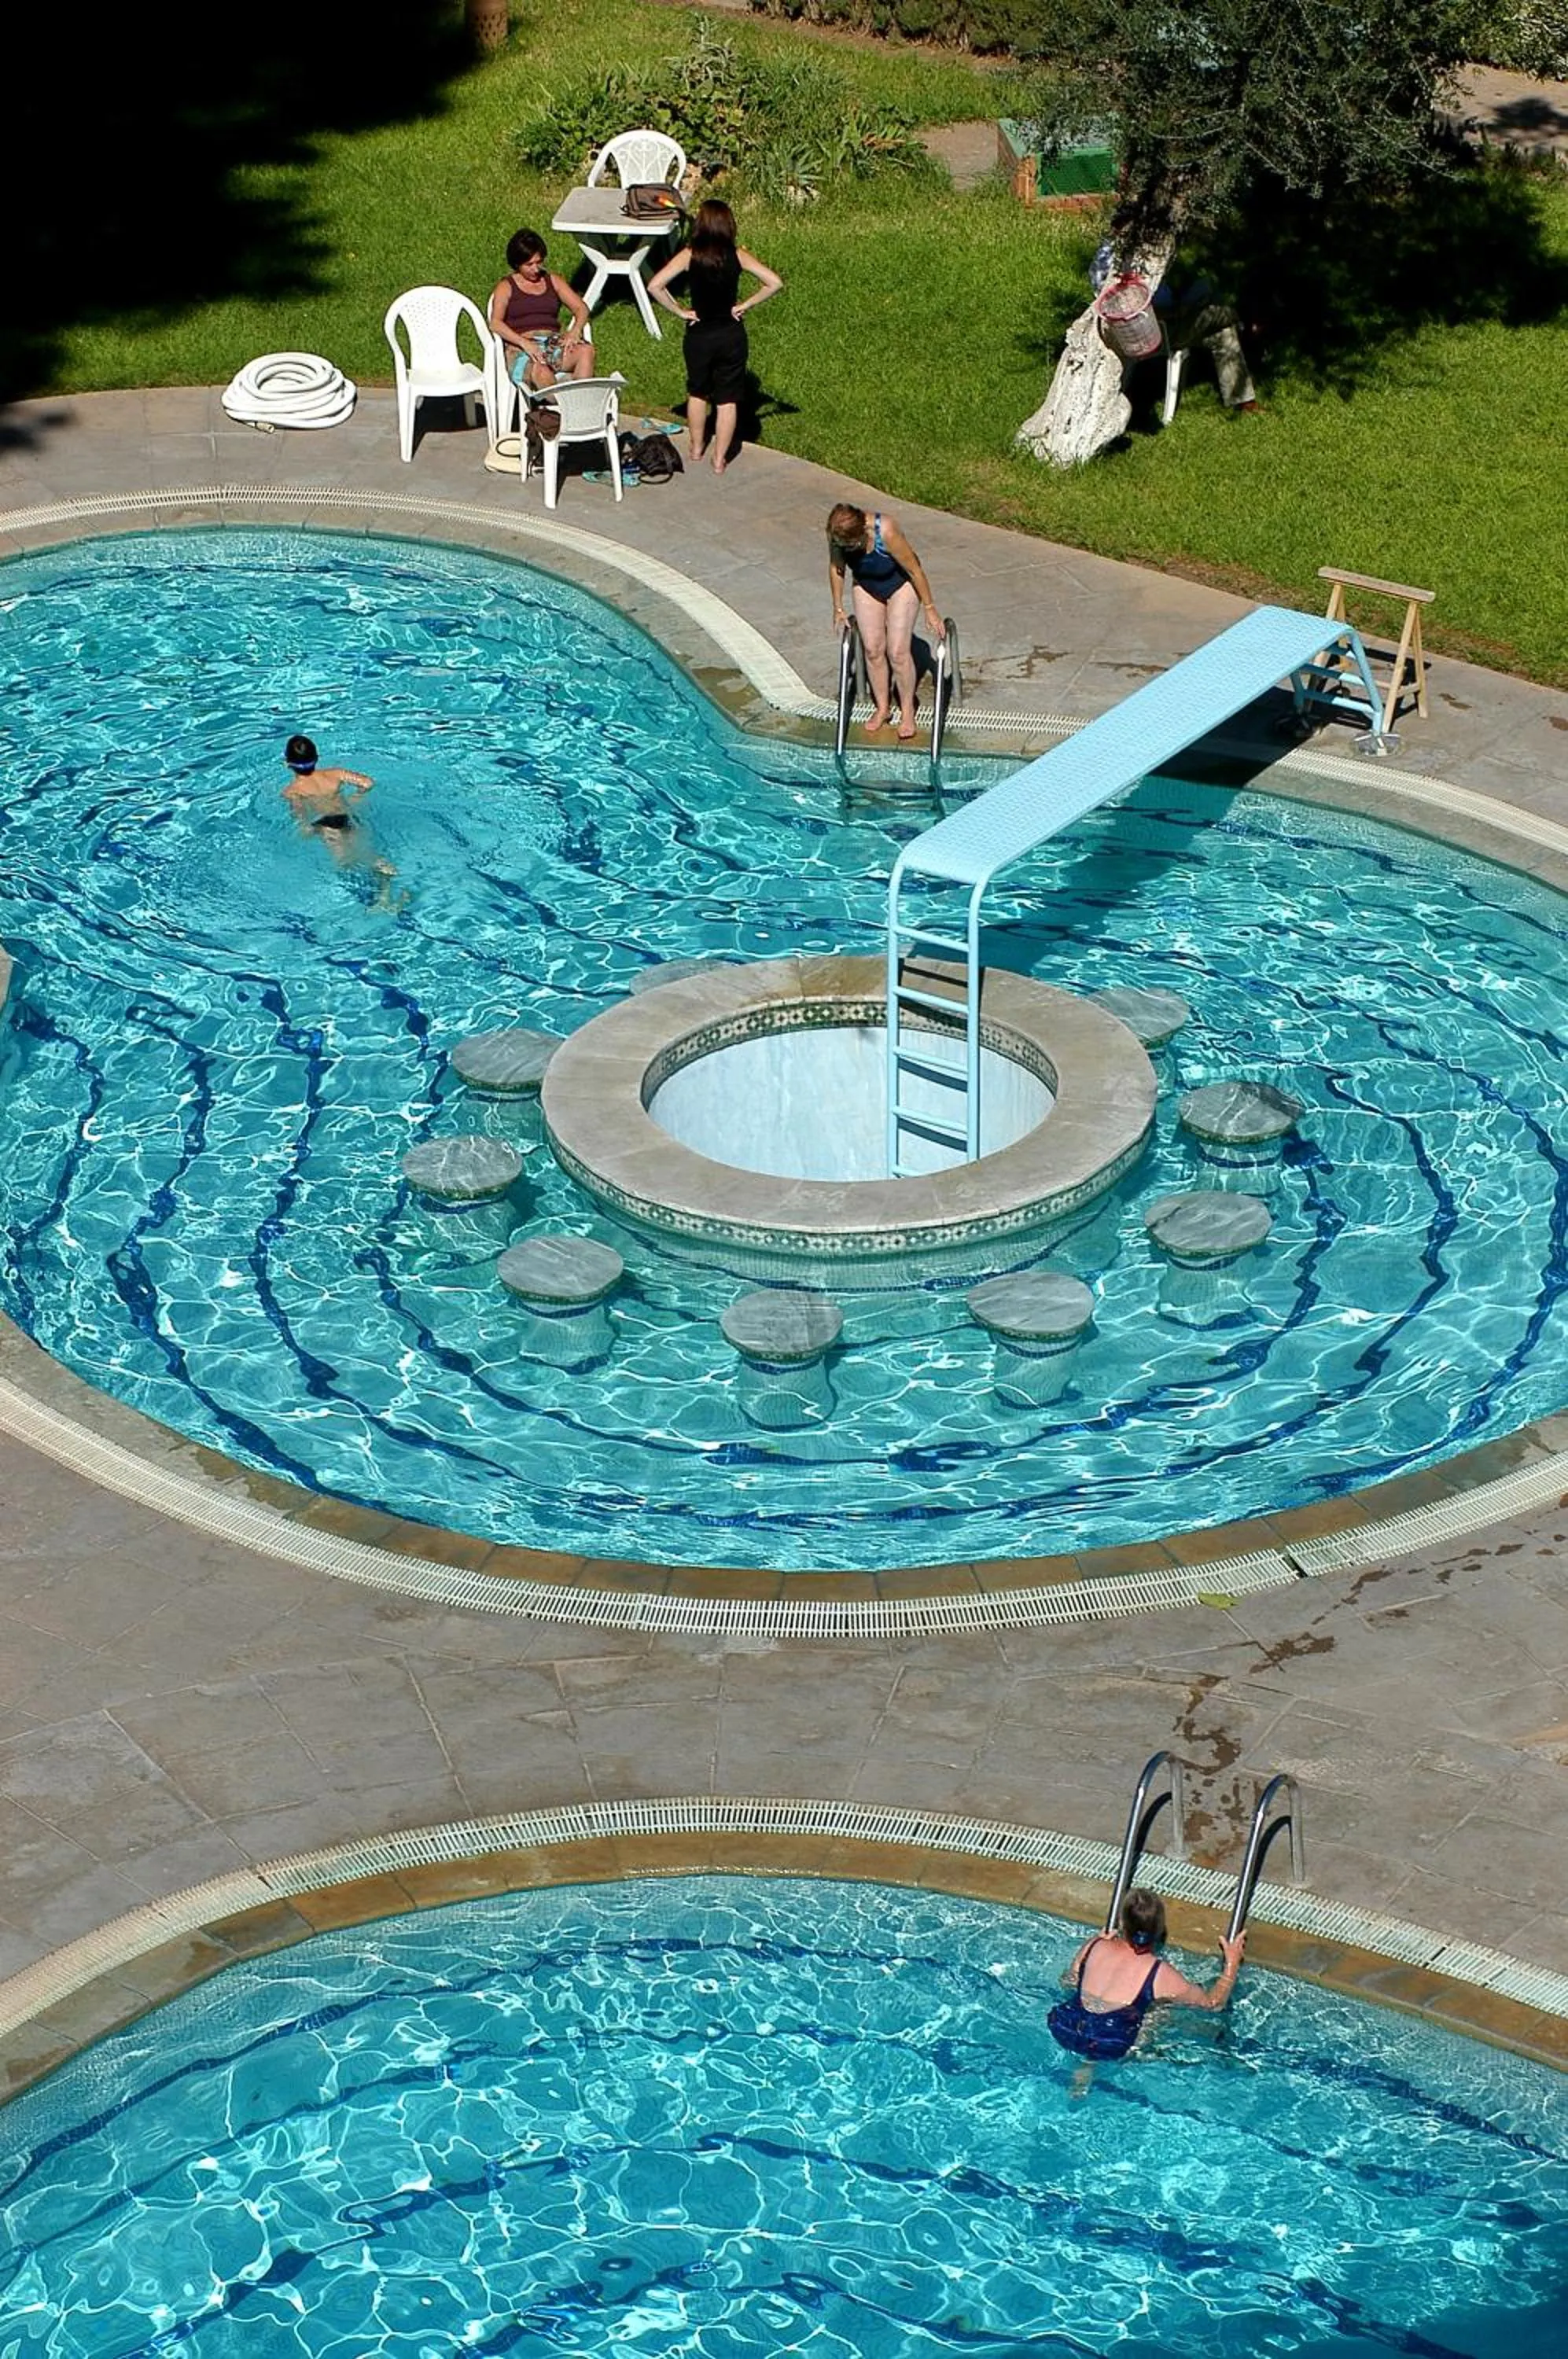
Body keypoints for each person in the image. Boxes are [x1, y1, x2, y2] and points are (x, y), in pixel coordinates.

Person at [647, 199, 782, 476]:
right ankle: (720, 460)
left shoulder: (689, 254)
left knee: (698, 392)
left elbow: (655, 285)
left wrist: (680, 311)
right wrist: (746, 305)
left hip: (699, 334)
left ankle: (696, 448)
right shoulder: (738, 255)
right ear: (729, 225)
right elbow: (774, 282)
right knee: (727, 399)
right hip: (731, 335)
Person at [1048, 1890, 1245, 2067]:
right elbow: (1213, 2004)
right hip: (1114, 2046)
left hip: (1065, 2028)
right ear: (1159, 1931)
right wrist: (1231, 1966)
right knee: (1160, 2012)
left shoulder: (1094, 1946)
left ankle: (1086, 2067)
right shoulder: (1161, 1975)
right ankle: (1099, 2063)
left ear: (1122, 1922)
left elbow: (1069, 1982)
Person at [826, 502, 945, 741]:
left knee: (898, 652)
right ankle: (883, 708)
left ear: (861, 534)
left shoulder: (886, 531)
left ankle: (908, 710)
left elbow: (915, 570)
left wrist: (930, 608)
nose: (843, 548)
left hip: (901, 585)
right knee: (872, 649)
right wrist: (838, 607)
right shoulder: (837, 536)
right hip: (867, 585)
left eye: (849, 545)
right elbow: (837, 568)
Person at [1090, 243, 1257, 412]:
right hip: (1157, 333)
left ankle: (1241, 399)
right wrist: (1178, 311)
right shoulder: (1128, 263)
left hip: (1145, 330)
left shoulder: (1105, 254)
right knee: (1224, 313)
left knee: (1222, 333)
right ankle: (1247, 321)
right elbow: (1138, 311)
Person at [282, 735, 399, 904]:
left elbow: (302, 822)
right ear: (317, 757)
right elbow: (367, 783)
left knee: (346, 864)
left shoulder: (292, 791)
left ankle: (375, 901)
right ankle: (385, 890)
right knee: (368, 855)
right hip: (350, 818)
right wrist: (355, 799)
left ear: (287, 763)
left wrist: (310, 829)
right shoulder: (335, 773)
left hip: (327, 826)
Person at [488, 230, 594, 396]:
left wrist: (575, 331)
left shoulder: (553, 281)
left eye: (539, 262)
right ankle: (563, 409)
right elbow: (496, 323)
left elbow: (581, 308)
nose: (536, 269)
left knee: (586, 351)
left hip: (552, 343)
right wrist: (523, 342)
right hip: (523, 347)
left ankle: (580, 402)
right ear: (517, 264)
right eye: (529, 265)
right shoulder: (506, 287)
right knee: (541, 371)